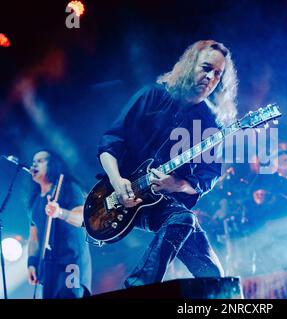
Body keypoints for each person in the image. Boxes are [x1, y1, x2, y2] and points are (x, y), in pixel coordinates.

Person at [97, 40, 238, 287]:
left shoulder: (210, 124)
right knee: (184, 220)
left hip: (163, 203)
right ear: (189, 64)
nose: (211, 77)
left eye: (218, 73)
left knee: (215, 278)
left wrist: (178, 184)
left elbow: (208, 176)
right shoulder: (152, 95)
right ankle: (139, 287)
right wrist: (117, 181)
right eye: (206, 67)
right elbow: (111, 142)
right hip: (120, 194)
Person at [27, 150, 92, 298]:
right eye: (33, 161)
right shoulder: (35, 202)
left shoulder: (68, 188)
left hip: (71, 262)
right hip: (49, 268)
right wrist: (31, 263)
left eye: (41, 160)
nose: (34, 164)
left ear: (53, 164)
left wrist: (60, 213)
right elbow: (34, 239)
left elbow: (82, 218)